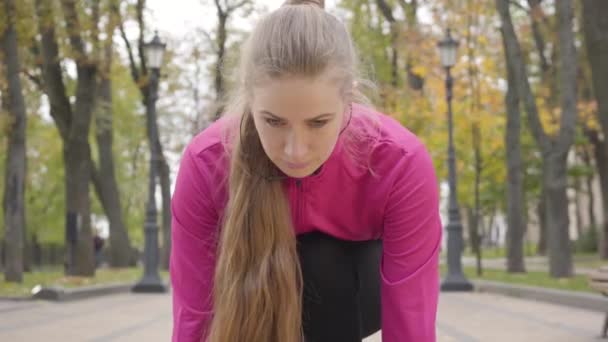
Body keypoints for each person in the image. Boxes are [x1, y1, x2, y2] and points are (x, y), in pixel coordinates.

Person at [170, 0, 442, 341]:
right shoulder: (206, 162)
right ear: (250, 99)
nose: (295, 150)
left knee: (321, 260)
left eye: (318, 122)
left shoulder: (399, 162)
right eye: (273, 121)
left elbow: (411, 322)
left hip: (348, 295)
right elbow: (193, 317)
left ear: (349, 101)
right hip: (250, 299)